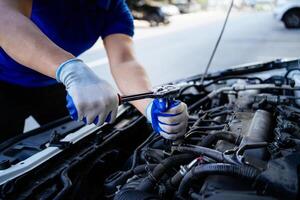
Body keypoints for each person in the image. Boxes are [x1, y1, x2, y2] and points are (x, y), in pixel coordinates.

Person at [0, 0, 188, 143]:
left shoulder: (112, 7)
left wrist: (149, 105)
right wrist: (72, 69)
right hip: (4, 82)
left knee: (75, 150)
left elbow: (124, 61)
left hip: (53, 83)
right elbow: (4, 19)